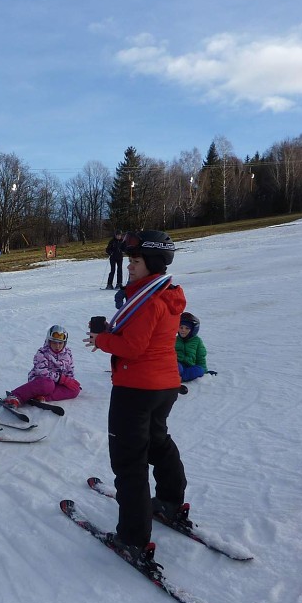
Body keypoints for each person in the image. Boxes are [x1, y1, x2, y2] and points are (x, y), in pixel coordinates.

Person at [83, 230, 187, 571]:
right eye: (129, 260)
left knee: (130, 461)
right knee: (157, 441)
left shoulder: (150, 299)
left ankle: (133, 536)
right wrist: (108, 333)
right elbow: (136, 335)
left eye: (135, 261)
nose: (129, 266)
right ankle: (170, 501)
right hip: (163, 385)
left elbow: (133, 347)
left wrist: (102, 340)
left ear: (152, 263)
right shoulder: (162, 294)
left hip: (137, 388)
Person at [0, 325, 81, 407]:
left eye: (60, 343)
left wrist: (70, 381)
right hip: (40, 381)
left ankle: (43, 397)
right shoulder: (42, 353)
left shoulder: (68, 353)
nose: (57, 346)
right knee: (48, 385)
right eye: (54, 342)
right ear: (49, 341)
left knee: (75, 389)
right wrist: (62, 379)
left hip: (58, 383)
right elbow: (42, 372)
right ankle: (16, 396)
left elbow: (70, 369)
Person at [176, 311, 208, 382]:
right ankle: (175, 377)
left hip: (191, 366)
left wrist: (205, 371)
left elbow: (201, 357)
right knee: (177, 367)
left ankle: (180, 379)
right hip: (178, 365)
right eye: (181, 327)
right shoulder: (175, 340)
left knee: (199, 369)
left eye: (187, 328)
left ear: (192, 330)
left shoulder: (197, 341)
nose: (183, 330)